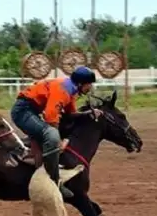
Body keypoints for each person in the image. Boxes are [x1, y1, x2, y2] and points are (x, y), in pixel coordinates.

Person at [10, 66, 101, 199]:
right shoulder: (63, 91)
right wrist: (58, 141)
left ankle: (38, 158)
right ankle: (55, 182)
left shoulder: (71, 91)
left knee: (52, 133)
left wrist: (88, 114)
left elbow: (71, 114)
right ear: (81, 83)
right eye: (89, 84)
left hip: (31, 111)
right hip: (23, 111)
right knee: (52, 135)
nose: (90, 88)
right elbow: (51, 117)